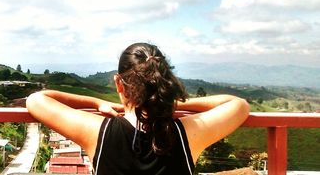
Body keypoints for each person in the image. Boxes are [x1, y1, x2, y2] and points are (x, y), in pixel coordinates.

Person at [26, 42, 249, 175]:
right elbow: (238, 105)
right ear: (165, 83)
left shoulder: (98, 132)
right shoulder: (188, 133)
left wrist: (95, 103)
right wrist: (169, 102)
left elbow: (37, 100)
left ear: (118, 83)